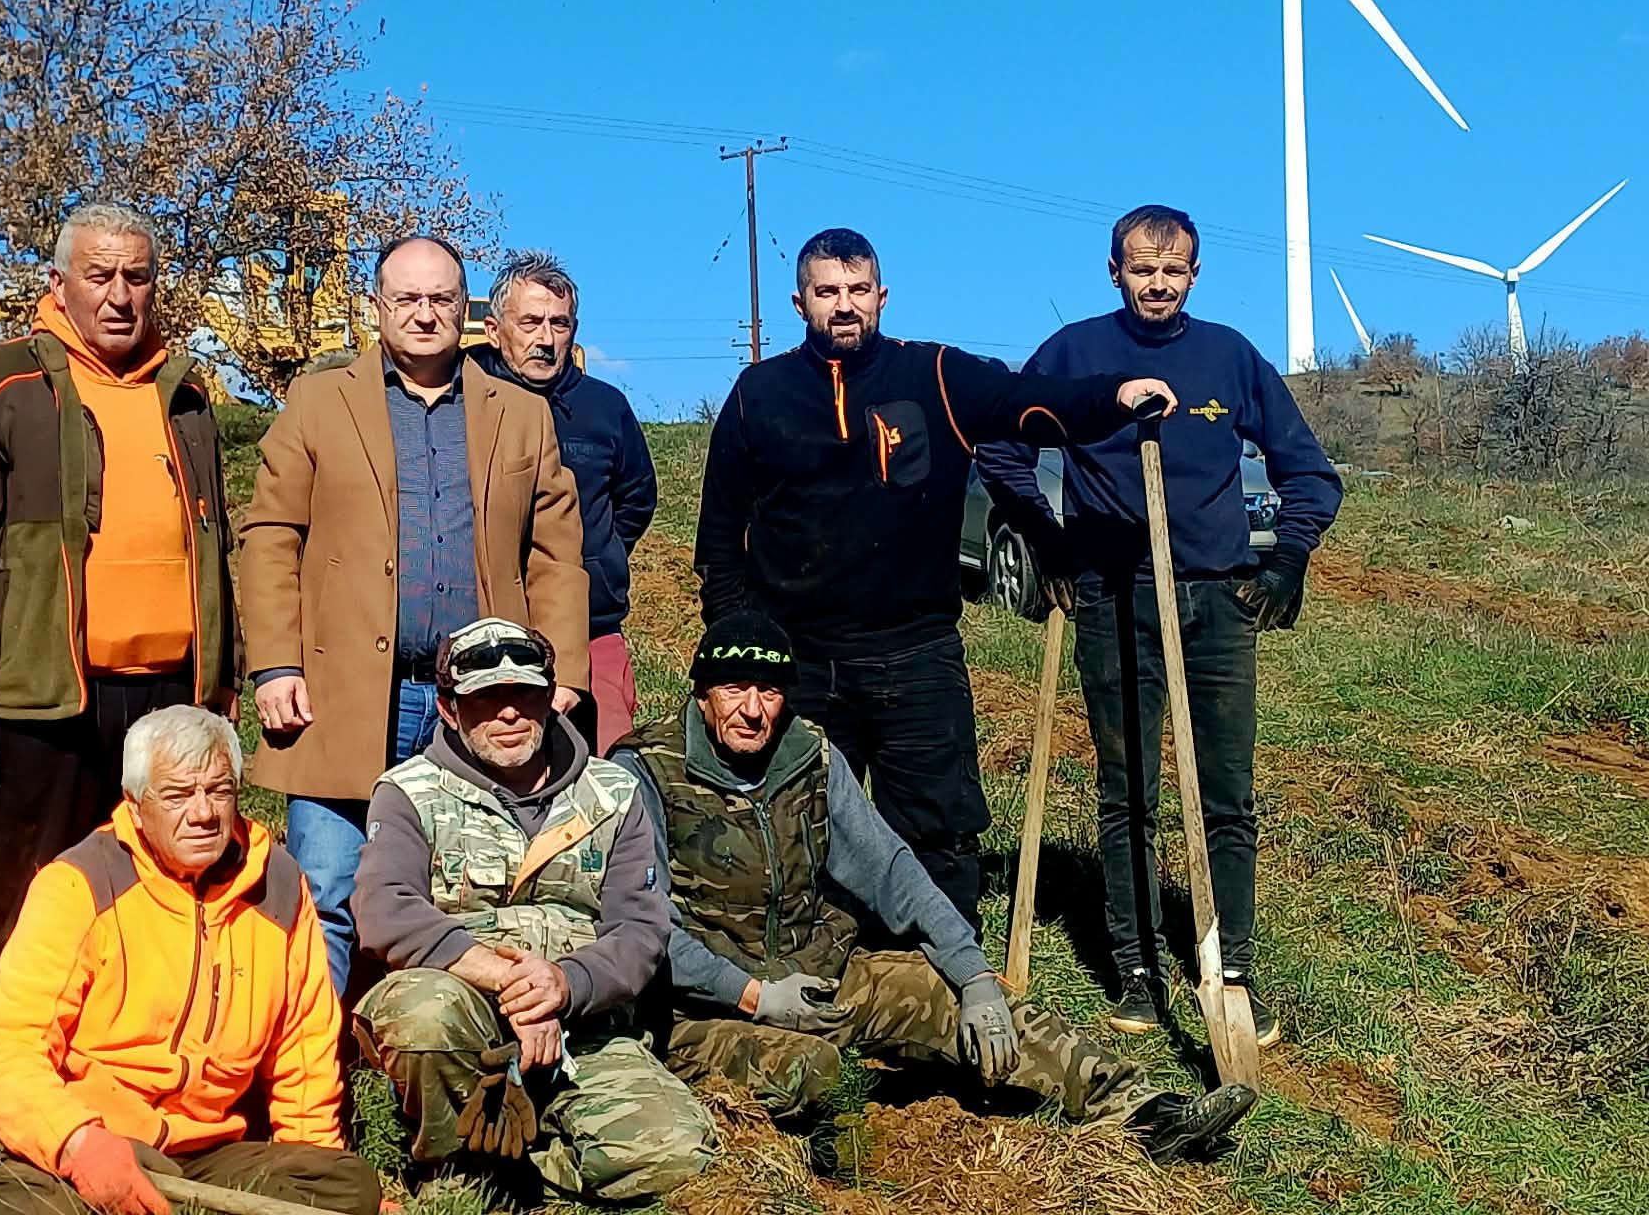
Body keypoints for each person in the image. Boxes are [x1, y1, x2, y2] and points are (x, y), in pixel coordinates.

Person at [613, 614, 1256, 1158]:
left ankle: (1145, 1111)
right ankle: (838, 1143)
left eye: (769, 690)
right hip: (702, 1009)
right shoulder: (643, 771)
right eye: (734, 688)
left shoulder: (809, 757)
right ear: (702, 694)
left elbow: (891, 870)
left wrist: (974, 978)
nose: (752, 709)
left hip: (820, 975)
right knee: (815, 1073)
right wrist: (752, 995)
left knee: (970, 1004)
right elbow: (645, 928)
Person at [694, 226, 1177, 936]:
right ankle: (804, 975)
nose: (845, 305)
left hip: (914, 655)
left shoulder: (938, 376)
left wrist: (1116, 395)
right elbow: (720, 535)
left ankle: (942, 982)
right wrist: (737, 647)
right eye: (828, 292)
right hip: (799, 661)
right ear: (801, 303)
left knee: (938, 835)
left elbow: (1032, 404)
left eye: (858, 290)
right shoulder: (757, 395)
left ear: (882, 297)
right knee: (794, 831)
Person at [977, 205, 1342, 1045]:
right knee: (1129, 788)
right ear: (1114, 272)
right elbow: (1000, 440)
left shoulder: (1230, 357)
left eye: (1173, 269)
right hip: (1112, 592)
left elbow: (1310, 473)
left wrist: (1286, 559)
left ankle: (1230, 967)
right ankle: (1137, 971)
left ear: (1195, 273)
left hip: (1215, 596)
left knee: (1227, 793)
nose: (1158, 283)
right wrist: (1046, 533)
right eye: (1142, 269)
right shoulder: (1075, 355)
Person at [240, 235, 589, 993]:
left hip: (477, 699)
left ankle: (445, 1069)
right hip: (341, 692)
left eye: (441, 300)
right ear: (377, 307)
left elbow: (556, 553)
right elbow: (269, 534)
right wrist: (276, 663)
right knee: (322, 890)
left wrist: (560, 669)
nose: (425, 315)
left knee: (469, 896)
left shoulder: (522, 415)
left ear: (467, 311)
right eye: (408, 299)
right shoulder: (318, 400)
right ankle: (315, 1082)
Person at [0, 707, 379, 1215]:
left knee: (347, 1187)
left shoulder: (278, 888)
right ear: (135, 803)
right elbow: (7, 1051)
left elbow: (305, 1053)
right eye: (176, 795)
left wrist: (314, 1175)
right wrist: (77, 1143)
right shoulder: (78, 885)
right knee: (37, 1208)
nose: (203, 813)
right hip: (98, 1141)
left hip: (209, 1154)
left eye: (219, 791)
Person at [0, 203, 239, 974]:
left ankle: (144, 1069)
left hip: (172, 693)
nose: (118, 295)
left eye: (137, 277)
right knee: (34, 896)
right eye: (99, 275)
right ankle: (16, 1077)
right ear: (59, 282)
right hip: (48, 698)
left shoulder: (187, 395)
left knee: (165, 894)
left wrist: (223, 675)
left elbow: (214, 544)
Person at [350, 618, 713, 1202]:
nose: (509, 714)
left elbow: (642, 929)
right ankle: (454, 1166)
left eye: (524, 695)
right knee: (423, 1018)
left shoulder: (614, 793)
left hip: (588, 1026)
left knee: (671, 1152)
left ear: (551, 699)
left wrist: (564, 986)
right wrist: (513, 985)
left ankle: (527, 1162)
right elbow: (385, 910)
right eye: (486, 699)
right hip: (463, 1014)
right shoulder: (406, 792)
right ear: (448, 708)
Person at [477, 250, 657, 753]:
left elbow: (637, 496)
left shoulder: (605, 406)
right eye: (530, 321)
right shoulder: (465, 397)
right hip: (491, 625)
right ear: (495, 330)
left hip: (593, 626)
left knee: (611, 769)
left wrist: (598, 553)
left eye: (559, 323)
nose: (545, 338)